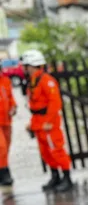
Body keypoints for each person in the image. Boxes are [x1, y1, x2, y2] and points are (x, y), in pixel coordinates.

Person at [22, 49, 73, 192]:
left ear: (32, 65)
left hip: (48, 122)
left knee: (56, 150)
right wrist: (31, 124)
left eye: (25, 65)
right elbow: (34, 104)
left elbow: (55, 102)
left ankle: (67, 178)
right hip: (38, 121)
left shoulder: (46, 80)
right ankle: (55, 176)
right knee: (45, 152)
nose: (24, 68)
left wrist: (49, 121)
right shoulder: (33, 82)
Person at [0, 70, 16, 186]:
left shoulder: (5, 81)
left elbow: (10, 97)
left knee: (7, 146)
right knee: (1, 147)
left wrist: (13, 107)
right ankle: (5, 172)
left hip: (6, 120)